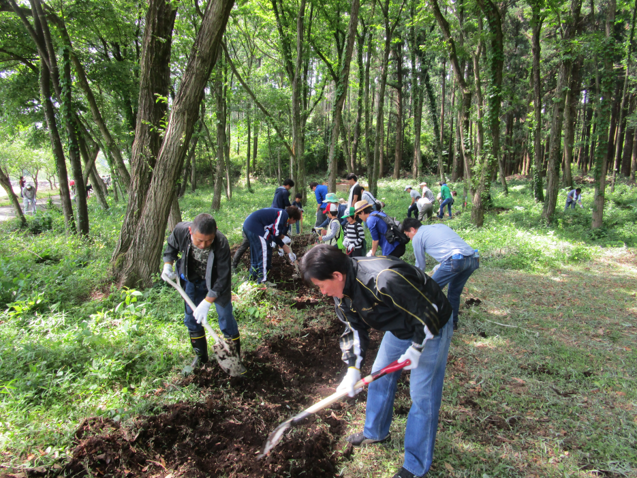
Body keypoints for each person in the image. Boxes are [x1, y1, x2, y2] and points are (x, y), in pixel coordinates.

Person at [300, 245, 453, 478]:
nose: (322, 292)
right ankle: (375, 432)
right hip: (398, 324)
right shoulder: (342, 293)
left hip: (431, 324)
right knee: (380, 376)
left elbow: (427, 312)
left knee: (422, 396)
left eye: (321, 286)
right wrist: (352, 368)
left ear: (337, 276)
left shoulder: (383, 278)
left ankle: (415, 466)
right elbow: (354, 328)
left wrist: (416, 348)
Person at [162, 213, 244, 369]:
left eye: (208, 240)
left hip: (215, 283)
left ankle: (234, 359)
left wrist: (207, 302)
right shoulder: (180, 230)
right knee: (191, 319)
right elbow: (171, 247)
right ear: (190, 231)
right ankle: (201, 357)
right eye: (199, 240)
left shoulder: (221, 242)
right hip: (192, 279)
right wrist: (168, 265)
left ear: (216, 232)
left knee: (225, 317)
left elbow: (222, 278)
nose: (203, 245)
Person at [402, 218, 479, 330]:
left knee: (428, 291)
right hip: (472, 259)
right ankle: (452, 323)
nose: (409, 238)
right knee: (454, 292)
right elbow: (448, 243)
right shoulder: (439, 226)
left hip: (455, 261)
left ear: (412, 230)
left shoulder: (417, 237)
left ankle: (421, 322)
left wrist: (413, 282)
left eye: (407, 234)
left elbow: (420, 266)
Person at [242, 206, 301, 283]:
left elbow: (274, 236)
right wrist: (283, 236)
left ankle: (251, 279)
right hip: (255, 228)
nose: (293, 223)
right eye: (295, 221)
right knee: (263, 254)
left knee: (256, 255)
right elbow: (276, 232)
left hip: (249, 227)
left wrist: (290, 253)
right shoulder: (283, 214)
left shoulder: (278, 215)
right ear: (293, 218)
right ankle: (262, 281)